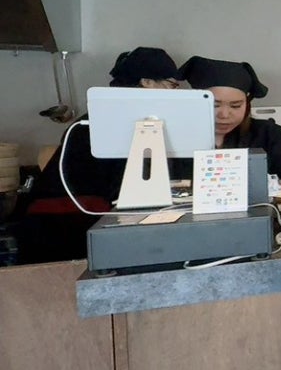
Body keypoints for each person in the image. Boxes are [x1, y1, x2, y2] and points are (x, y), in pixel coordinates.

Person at [15, 47, 184, 263]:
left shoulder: (120, 116)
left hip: (81, 224)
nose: (175, 93)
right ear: (147, 82)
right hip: (63, 229)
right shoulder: (103, 121)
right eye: (171, 84)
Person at [179, 56, 281, 190]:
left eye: (235, 106)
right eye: (214, 105)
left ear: (247, 105)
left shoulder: (268, 133)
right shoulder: (176, 136)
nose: (224, 115)